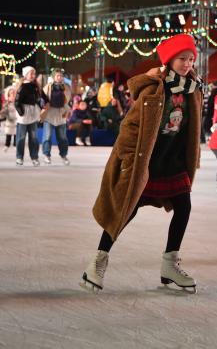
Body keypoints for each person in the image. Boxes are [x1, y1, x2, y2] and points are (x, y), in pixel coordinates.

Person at [81, 33, 203, 292]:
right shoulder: (154, 88)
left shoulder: (193, 89)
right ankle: (98, 261)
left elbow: (191, 129)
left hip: (173, 161)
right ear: (169, 60)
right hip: (146, 161)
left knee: (184, 207)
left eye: (191, 59)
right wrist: (126, 158)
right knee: (126, 210)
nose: (188, 63)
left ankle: (170, 264)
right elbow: (130, 126)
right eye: (182, 58)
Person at [41, 68, 71, 165]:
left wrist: (67, 110)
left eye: (61, 76)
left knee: (62, 137)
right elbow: (42, 99)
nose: (60, 77)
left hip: (61, 114)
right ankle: (46, 155)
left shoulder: (66, 87)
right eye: (57, 76)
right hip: (50, 114)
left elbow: (67, 100)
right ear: (53, 77)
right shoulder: (48, 87)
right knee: (47, 136)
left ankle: (64, 155)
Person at [15, 66, 42, 166]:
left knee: (34, 138)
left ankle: (34, 157)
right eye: (31, 73)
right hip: (23, 115)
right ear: (25, 75)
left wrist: (42, 106)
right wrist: (21, 112)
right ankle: (19, 157)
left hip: (33, 115)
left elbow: (39, 99)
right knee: (21, 138)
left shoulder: (35, 86)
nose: (33, 76)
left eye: (34, 74)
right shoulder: (22, 87)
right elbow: (17, 101)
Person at [0, 85, 17, 152]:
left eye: (14, 93)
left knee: (16, 133)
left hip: (16, 119)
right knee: (8, 133)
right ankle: (7, 144)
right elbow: (4, 111)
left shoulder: (17, 103)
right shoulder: (7, 104)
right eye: (11, 94)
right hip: (9, 119)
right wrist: (1, 113)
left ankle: (15, 144)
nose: (13, 95)